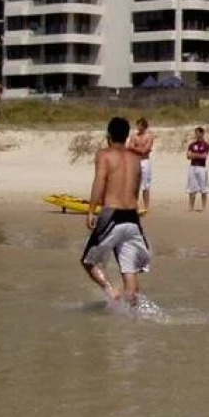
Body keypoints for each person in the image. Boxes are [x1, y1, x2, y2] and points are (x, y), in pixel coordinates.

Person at [81, 116, 152, 306]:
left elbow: (100, 181)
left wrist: (91, 210)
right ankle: (133, 309)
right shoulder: (136, 158)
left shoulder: (104, 154)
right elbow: (136, 189)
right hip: (132, 217)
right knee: (129, 269)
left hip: (112, 214)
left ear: (108, 135)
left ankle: (111, 292)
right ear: (127, 135)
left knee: (88, 261)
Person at [127, 116, 155, 214]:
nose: (138, 128)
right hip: (135, 161)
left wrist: (134, 148)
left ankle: (146, 207)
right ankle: (135, 206)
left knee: (146, 186)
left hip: (145, 162)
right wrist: (136, 149)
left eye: (139, 125)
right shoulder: (134, 136)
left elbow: (144, 150)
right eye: (137, 126)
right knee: (135, 185)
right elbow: (129, 147)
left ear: (144, 126)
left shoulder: (149, 136)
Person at [185, 126, 209, 212]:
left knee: (203, 188)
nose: (196, 135)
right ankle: (191, 206)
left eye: (198, 133)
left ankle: (204, 207)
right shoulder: (192, 145)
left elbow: (204, 156)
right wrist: (197, 155)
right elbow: (188, 156)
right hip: (193, 167)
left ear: (202, 133)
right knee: (192, 188)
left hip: (201, 168)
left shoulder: (206, 145)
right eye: (195, 133)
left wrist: (195, 155)